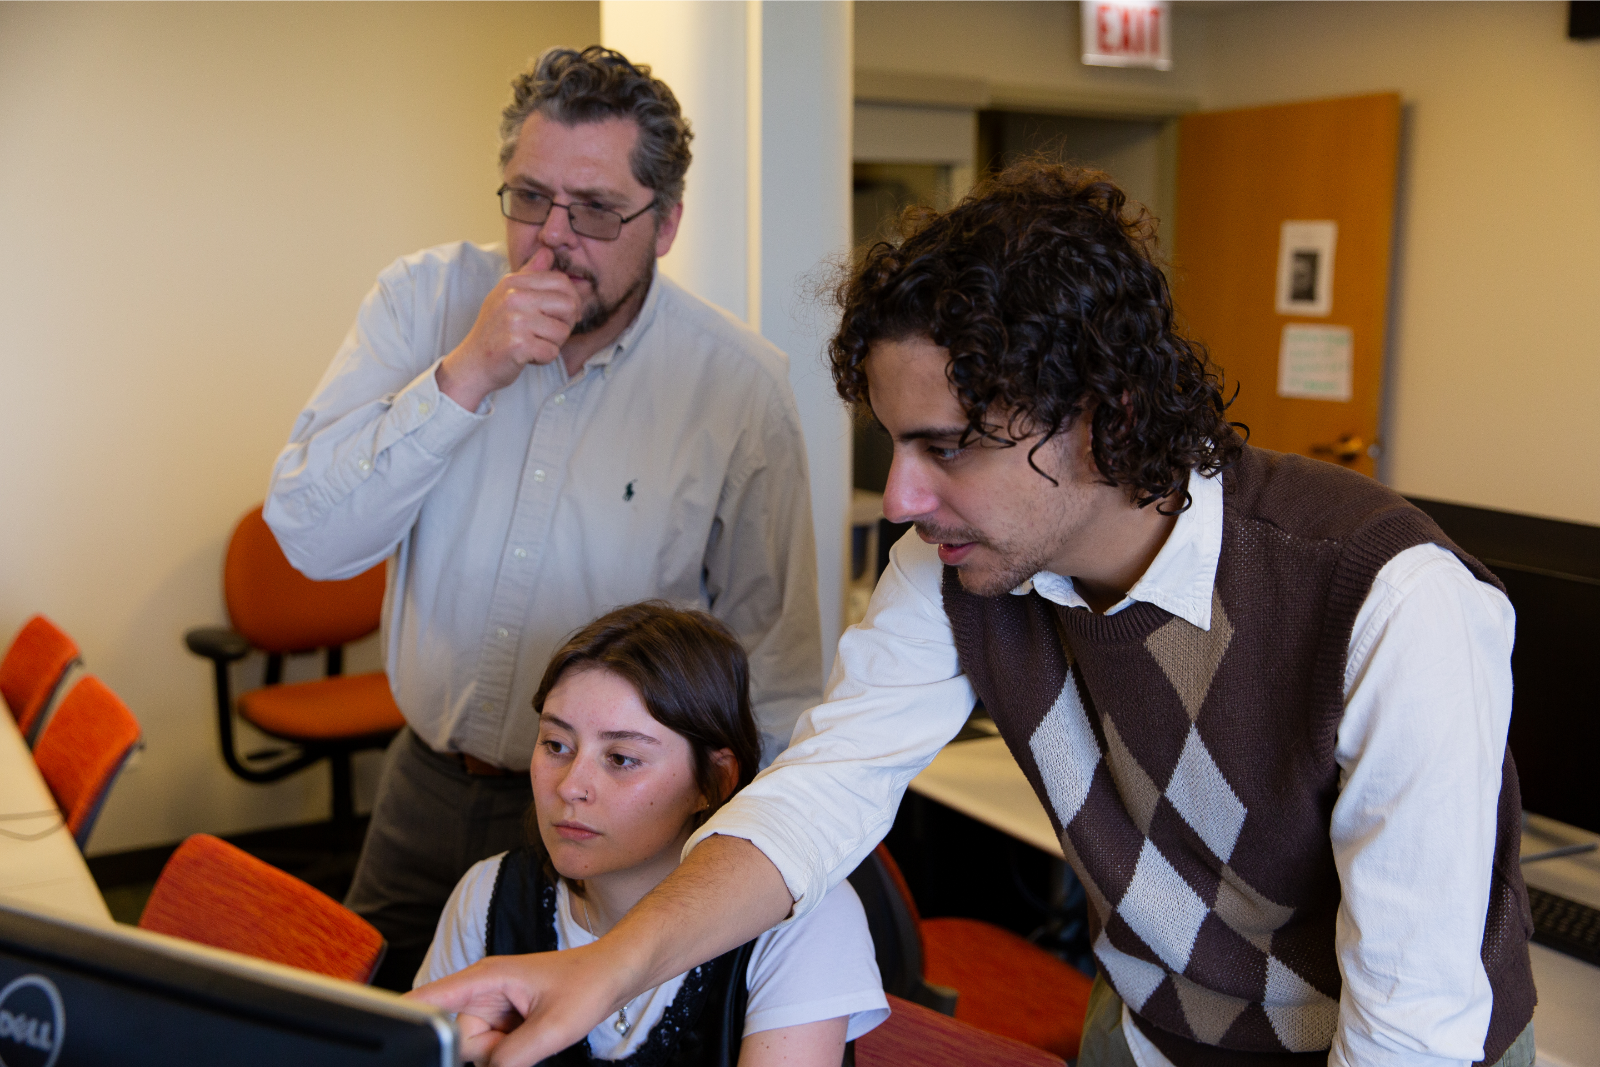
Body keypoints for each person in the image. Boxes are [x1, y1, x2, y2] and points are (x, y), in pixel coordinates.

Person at [412, 162, 1535, 1067]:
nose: (903, 497)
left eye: (947, 447)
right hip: (1151, 1034)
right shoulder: (954, 567)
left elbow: (1409, 1028)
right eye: (896, 445)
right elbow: (820, 795)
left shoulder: (1392, 598)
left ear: (1106, 413)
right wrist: (606, 967)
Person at [264, 46, 822, 990]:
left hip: (619, 820)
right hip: (426, 782)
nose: (552, 241)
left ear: (666, 222)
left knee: (561, 1041)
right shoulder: (423, 303)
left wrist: (721, 869)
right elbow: (312, 539)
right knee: (373, 1027)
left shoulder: (738, 388)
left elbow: (776, 666)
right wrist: (467, 374)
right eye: (529, 198)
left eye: (596, 209)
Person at [417, 602, 886, 1065]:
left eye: (621, 758)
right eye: (556, 745)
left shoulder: (803, 918)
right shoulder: (489, 894)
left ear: (714, 781)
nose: (570, 786)